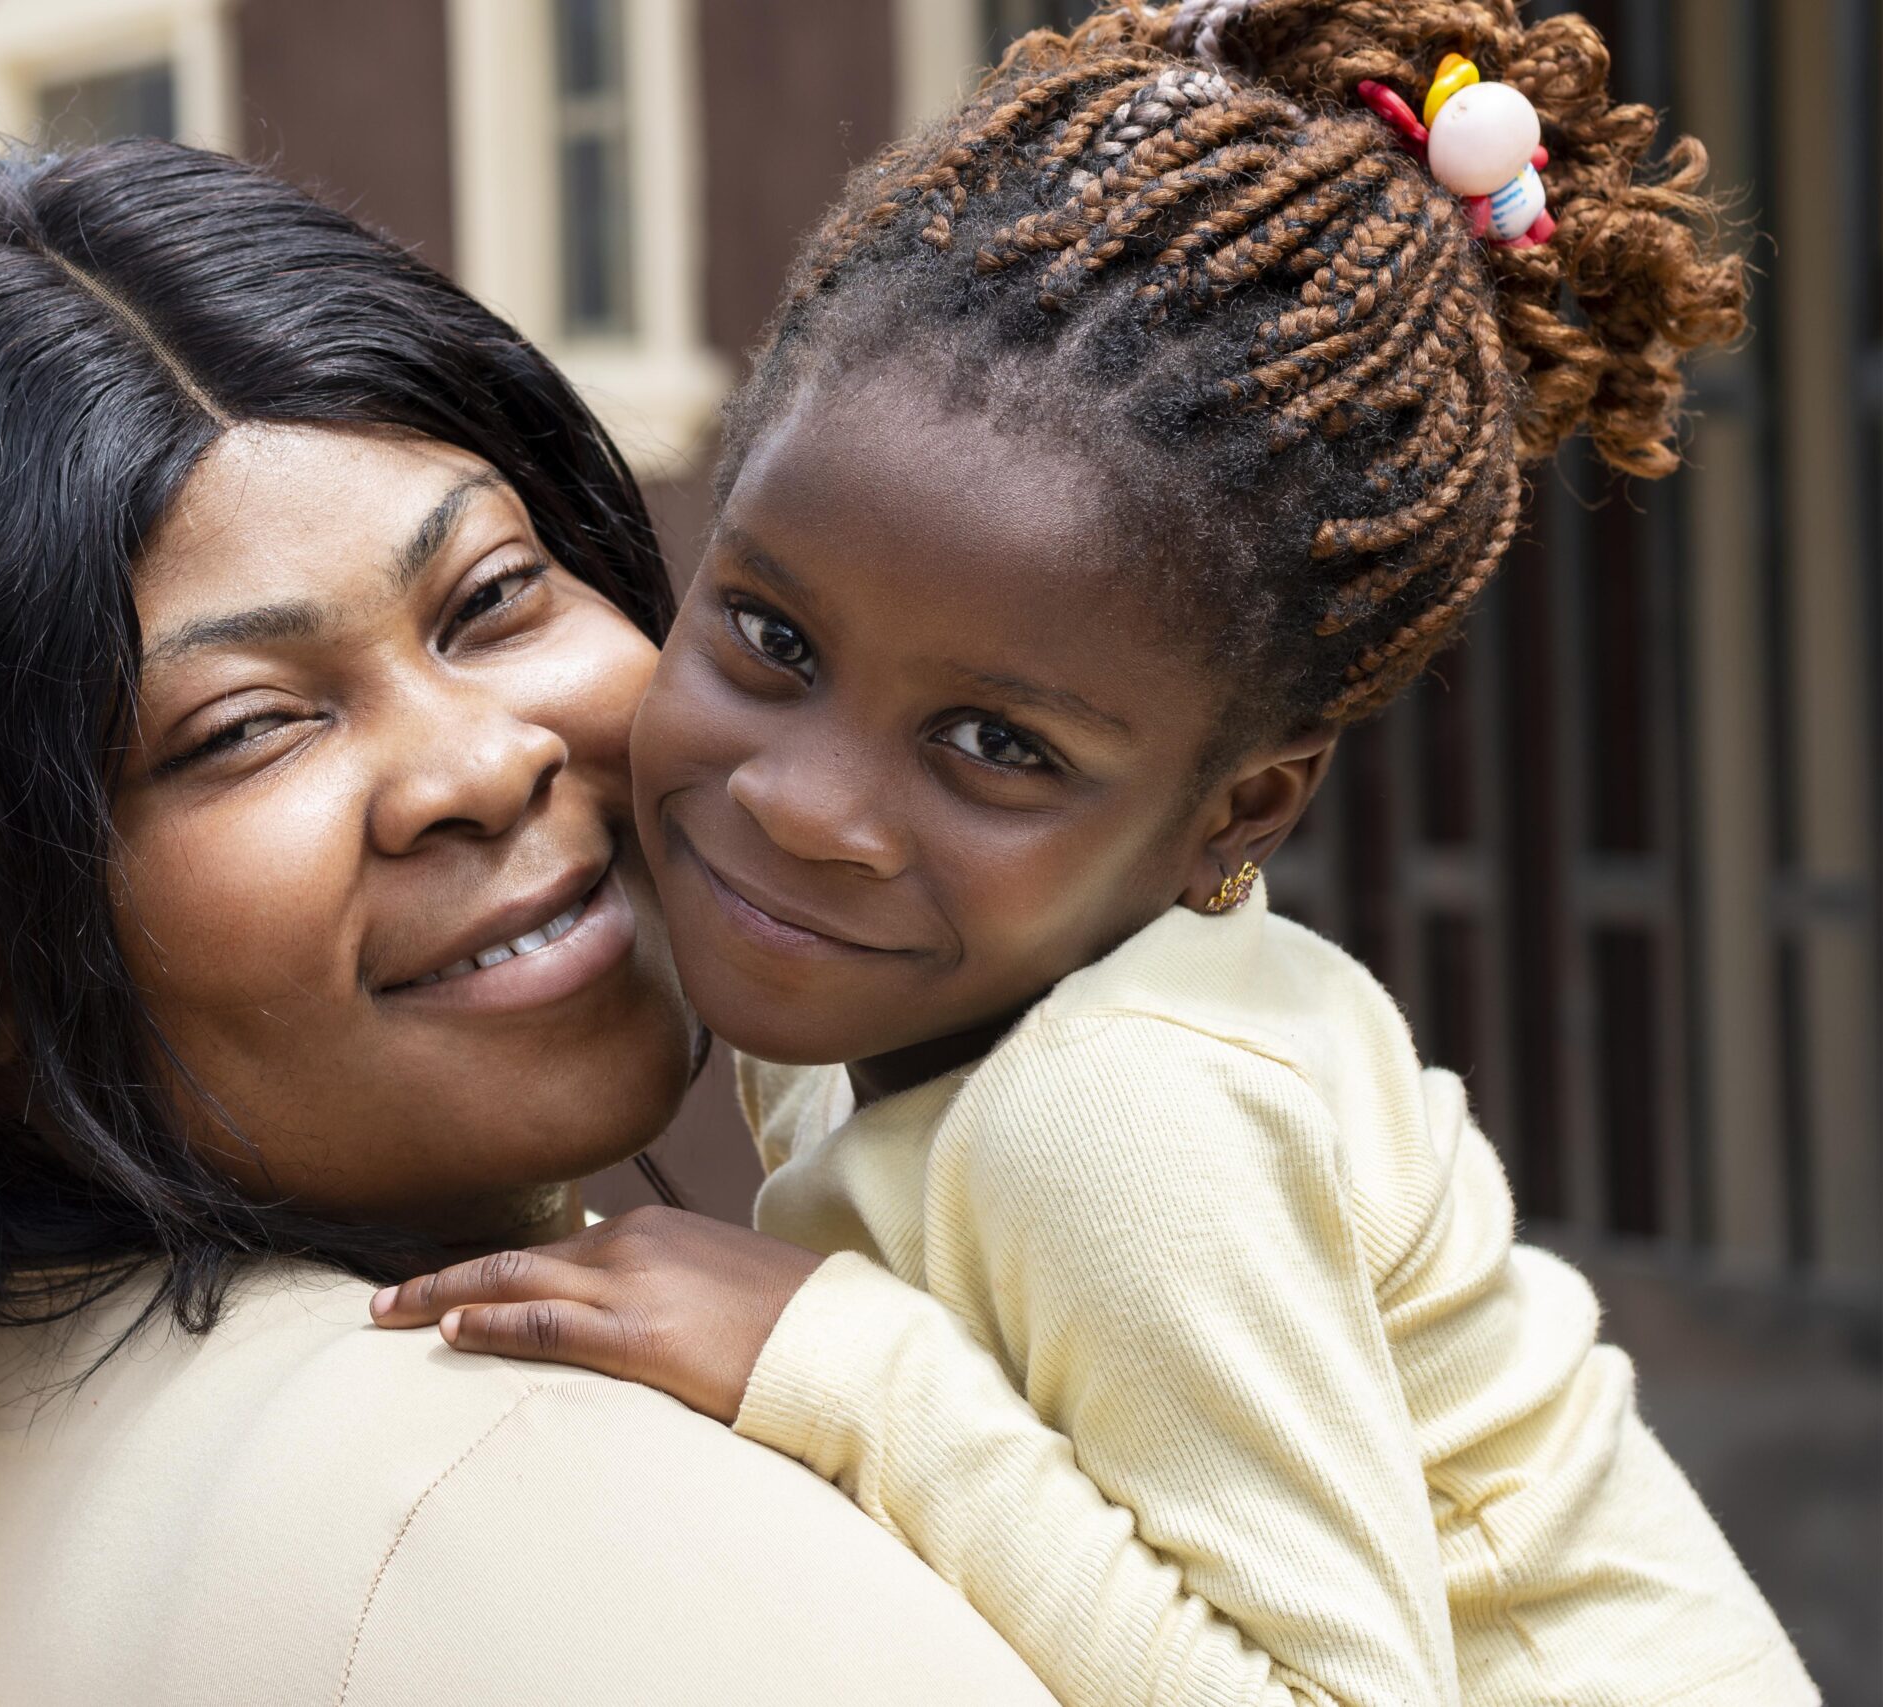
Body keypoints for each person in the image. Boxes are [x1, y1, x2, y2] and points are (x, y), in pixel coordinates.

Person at [373, 5, 1818, 1704]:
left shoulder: (1118, 1117)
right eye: (768, 636)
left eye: (997, 747)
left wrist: (853, 1377)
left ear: (1238, 815)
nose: (805, 808)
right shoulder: (899, 999)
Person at [0, 143, 1055, 1707]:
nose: (476, 764)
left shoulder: (87, 1423)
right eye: (246, 727)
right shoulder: (512, 1501)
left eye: (493, 599)